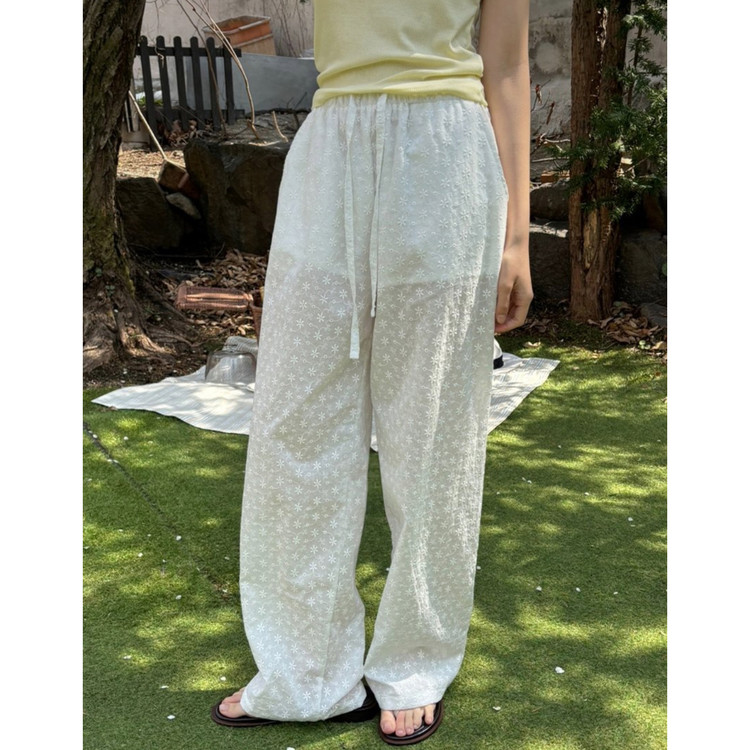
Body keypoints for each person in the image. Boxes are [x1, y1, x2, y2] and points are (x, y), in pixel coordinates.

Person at [210, 0, 532, 744]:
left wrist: (516, 240)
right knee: (296, 422)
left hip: (446, 156)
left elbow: (509, 67)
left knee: (433, 431)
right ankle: (305, 669)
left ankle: (415, 663)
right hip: (332, 148)